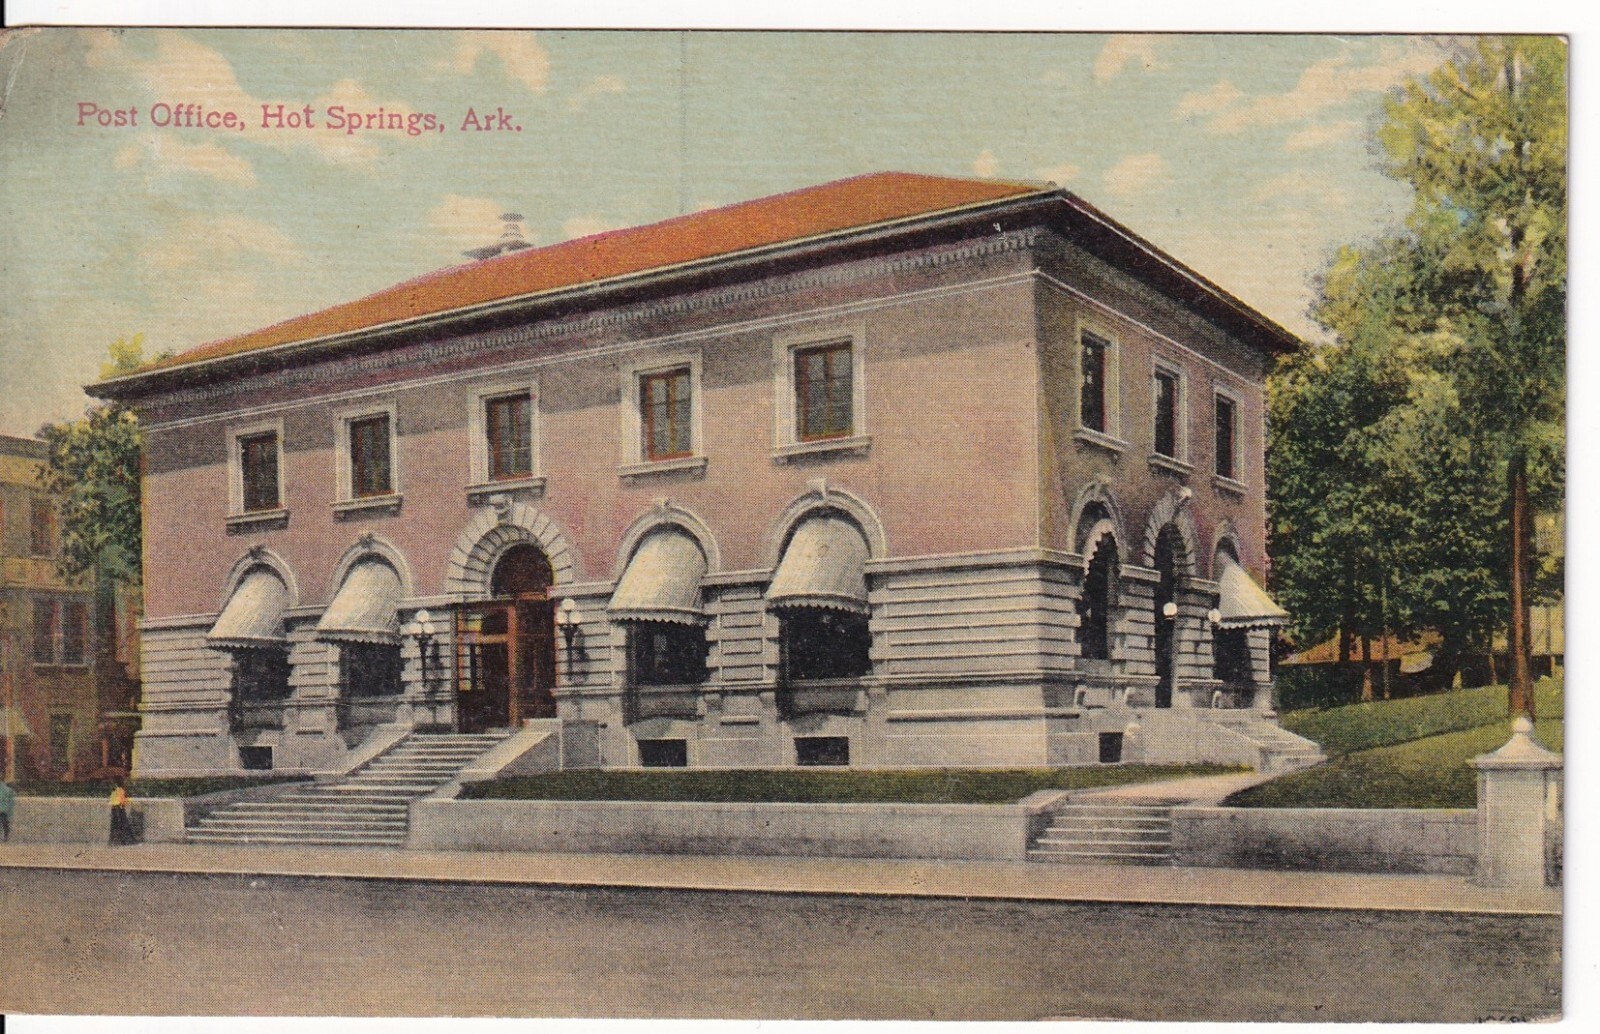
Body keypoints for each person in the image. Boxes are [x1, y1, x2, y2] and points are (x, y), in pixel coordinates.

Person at [109, 777, 137, 845]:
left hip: (115, 809)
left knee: (115, 826)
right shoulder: (120, 790)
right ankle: (127, 841)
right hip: (119, 809)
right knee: (124, 825)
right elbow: (122, 801)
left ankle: (114, 841)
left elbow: (113, 801)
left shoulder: (114, 790)